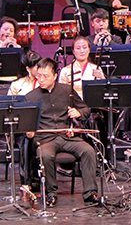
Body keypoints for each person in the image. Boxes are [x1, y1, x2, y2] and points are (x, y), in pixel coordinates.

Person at [25, 58, 98, 207]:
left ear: (55, 76)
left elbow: (85, 109)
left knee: (88, 151)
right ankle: (51, 193)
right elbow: (26, 123)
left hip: (67, 136)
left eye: (45, 76)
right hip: (45, 139)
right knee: (45, 155)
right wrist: (29, 131)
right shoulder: (31, 97)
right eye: (39, 76)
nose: (41, 79)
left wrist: (78, 112)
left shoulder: (66, 91)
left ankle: (90, 193)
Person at [7, 50, 41, 187]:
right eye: (36, 66)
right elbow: (10, 109)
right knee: (27, 140)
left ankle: (40, 179)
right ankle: (27, 181)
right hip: (22, 127)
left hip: (43, 124)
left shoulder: (45, 81)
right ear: (28, 69)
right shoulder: (17, 85)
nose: (39, 68)